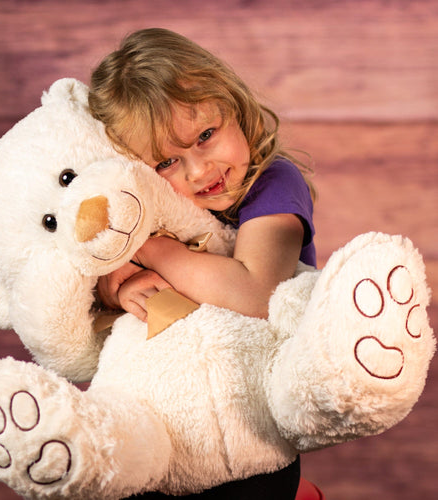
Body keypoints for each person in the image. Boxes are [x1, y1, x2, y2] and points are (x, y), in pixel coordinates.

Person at [88, 28, 316, 500]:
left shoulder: (273, 183)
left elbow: (254, 292)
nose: (199, 171)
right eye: (166, 163)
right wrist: (118, 288)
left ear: (233, 104)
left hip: (249, 434)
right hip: (162, 425)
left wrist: (149, 248)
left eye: (206, 136)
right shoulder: (141, 205)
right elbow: (91, 296)